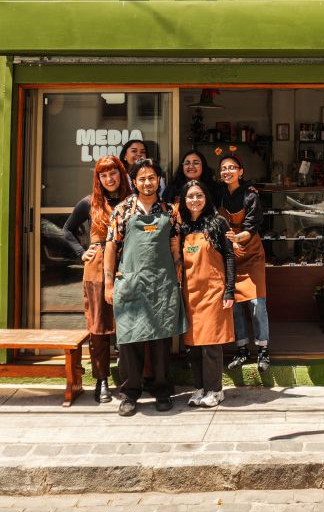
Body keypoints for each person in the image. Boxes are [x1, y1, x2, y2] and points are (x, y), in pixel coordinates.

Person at [104, 159, 186, 417]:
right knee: (130, 341)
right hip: (131, 283)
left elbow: (175, 244)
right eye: (142, 178)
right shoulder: (122, 210)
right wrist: (108, 282)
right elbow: (110, 247)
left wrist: (178, 272)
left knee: (162, 340)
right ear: (134, 182)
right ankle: (130, 393)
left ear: (159, 180)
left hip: (161, 284)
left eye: (152, 177)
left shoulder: (169, 211)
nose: (147, 182)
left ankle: (162, 391)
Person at [59, 155, 129, 404]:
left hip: (127, 265)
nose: (109, 179)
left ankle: (130, 379)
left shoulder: (131, 201)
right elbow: (66, 229)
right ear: (98, 178)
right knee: (99, 327)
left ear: (121, 173)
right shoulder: (90, 202)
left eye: (113, 173)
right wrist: (81, 252)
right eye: (103, 175)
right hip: (97, 268)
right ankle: (102, 380)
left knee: (128, 326)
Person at [174, 179, 236, 408]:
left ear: (206, 198)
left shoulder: (219, 223)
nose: (195, 200)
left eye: (199, 195)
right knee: (193, 345)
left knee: (211, 344)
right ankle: (199, 387)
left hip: (213, 291)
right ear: (184, 200)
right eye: (190, 196)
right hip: (189, 292)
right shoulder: (182, 227)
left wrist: (229, 290)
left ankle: (215, 390)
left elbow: (230, 256)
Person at [218, 155, 271, 373]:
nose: (227, 171)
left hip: (251, 252)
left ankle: (263, 349)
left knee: (257, 303)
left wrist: (238, 240)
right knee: (235, 304)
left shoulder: (251, 195)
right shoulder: (218, 194)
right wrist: (230, 244)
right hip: (230, 252)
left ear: (241, 172)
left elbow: (253, 225)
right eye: (223, 168)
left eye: (232, 168)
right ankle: (241, 349)